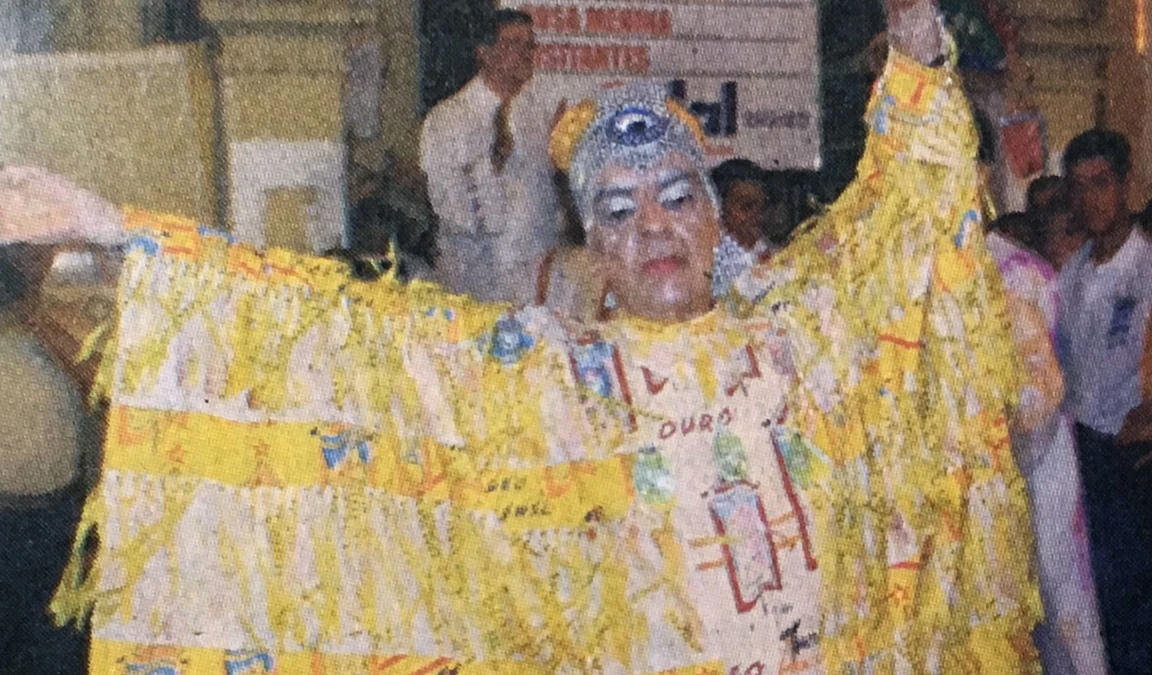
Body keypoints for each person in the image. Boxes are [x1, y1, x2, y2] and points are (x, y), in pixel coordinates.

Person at [55, 0, 1043, 672]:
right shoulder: (551, 378)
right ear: (595, 249)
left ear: (713, 217)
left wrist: (914, 38)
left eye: (676, 197)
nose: (653, 226)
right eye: (618, 210)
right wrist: (114, 229)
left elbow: (905, 214)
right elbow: (343, 338)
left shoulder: (808, 332)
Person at [0, 216, 97, 675]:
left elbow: (104, 391)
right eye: (19, 245)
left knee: (56, 659)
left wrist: (39, 322)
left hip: (57, 524)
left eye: (41, 246)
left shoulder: (66, 318)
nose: (34, 256)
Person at [986, 212, 1108, 675]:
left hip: (1036, 488)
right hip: (983, 505)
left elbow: (1047, 394)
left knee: (1061, 624)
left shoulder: (1017, 276)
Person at [1057, 128, 1152, 674]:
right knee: (1091, 624)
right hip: (1079, 464)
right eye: (1079, 186)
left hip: (1132, 467)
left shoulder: (1147, 271)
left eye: (1102, 183)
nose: (1090, 198)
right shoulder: (1068, 276)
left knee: (1133, 622)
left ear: (1126, 185)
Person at [420, 9, 562, 305]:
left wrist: (564, 155)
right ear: (484, 53)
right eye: (513, 44)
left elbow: (548, 203)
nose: (525, 53)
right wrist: (494, 162)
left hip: (536, 285)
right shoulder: (448, 120)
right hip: (476, 283)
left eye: (530, 45)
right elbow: (450, 211)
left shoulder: (538, 115)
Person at [709, 159, 782, 297]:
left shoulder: (777, 257)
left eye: (762, 208)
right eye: (746, 207)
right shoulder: (707, 262)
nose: (758, 216)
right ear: (718, 209)